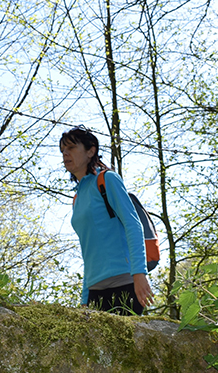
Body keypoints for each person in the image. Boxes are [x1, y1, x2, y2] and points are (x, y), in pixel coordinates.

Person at [60, 126, 154, 315]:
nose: (65, 154)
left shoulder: (107, 179)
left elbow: (133, 224)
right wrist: (85, 298)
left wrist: (139, 273)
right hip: (95, 291)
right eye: (62, 150)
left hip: (125, 283)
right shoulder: (77, 198)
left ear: (91, 151)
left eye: (71, 148)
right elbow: (88, 249)